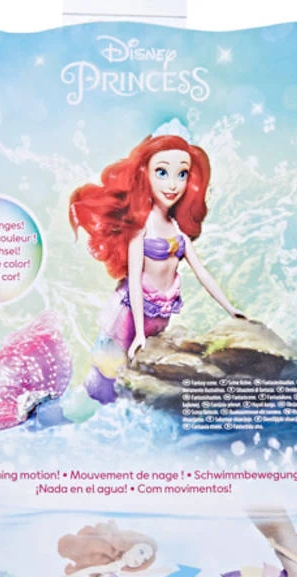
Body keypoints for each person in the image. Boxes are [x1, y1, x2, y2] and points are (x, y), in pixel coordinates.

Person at [69, 134, 245, 404]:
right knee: (105, 378)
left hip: (159, 317)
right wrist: (139, 331)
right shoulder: (142, 227)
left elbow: (202, 273)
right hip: (128, 316)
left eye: (182, 174)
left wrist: (231, 309)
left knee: (135, 382)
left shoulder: (178, 230)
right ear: (145, 175)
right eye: (162, 172)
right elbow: (134, 282)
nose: (173, 184)